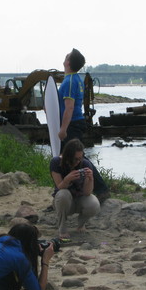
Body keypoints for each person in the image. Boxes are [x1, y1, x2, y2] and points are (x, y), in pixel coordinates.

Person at [57, 48, 109, 201]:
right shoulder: (74, 79)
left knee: (78, 159)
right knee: (68, 160)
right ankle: (66, 192)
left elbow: (70, 107)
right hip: (74, 123)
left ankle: (101, 189)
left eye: (67, 56)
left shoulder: (70, 81)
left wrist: (63, 129)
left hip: (72, 124)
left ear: (68, 62)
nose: (64, 56)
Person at [50, 138, 100, 240]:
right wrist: (67, 180)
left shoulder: (85, 164)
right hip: (63, 202)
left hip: (79, 199)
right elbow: (59, 187)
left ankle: (81, 223)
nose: (78, 162)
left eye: (80, 158)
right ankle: (62, 228)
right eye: (75, 159)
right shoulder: (56, 162)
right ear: (68, 156)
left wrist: (90, 179)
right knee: (63, 193)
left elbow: (87, 192)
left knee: (94, 204)